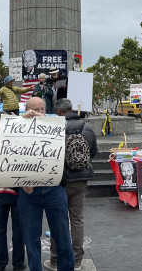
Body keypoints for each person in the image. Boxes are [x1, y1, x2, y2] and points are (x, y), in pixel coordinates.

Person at [19, 97, 75, 271]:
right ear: (26, 110)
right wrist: (22, 181)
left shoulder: (53, 122)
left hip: (54, 188)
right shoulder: (18, 125)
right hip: (29, 190)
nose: (40, 112)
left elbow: (63, 125)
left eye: (43, 109)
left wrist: (40, 117)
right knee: (31, 238)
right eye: (36, 109)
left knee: (62, 235)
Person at [44, 98, 98, 271]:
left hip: (60, 180)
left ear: (59, 112)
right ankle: (77, 260)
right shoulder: (87, 127)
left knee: (57, 220)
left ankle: (55, 259)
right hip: (81, 180)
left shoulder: (56, 127)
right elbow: (93, 152)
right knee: (77, 220)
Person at [0, 112, 26, 271]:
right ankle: (18, 264)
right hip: (17, 192)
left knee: (0, 230)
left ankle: (1, 263)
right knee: (18, 230)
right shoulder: (20, 145)